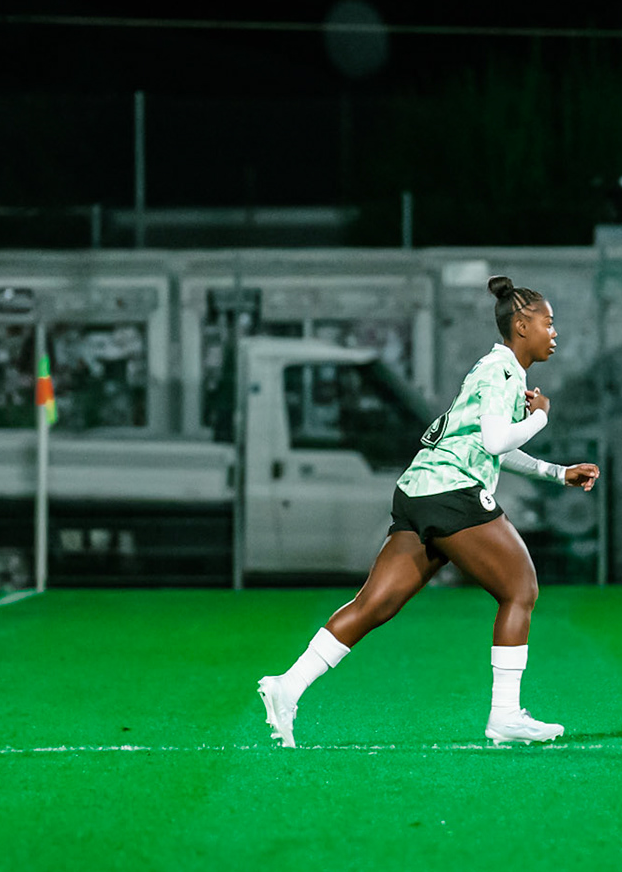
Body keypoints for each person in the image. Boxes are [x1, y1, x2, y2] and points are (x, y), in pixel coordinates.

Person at [255, 275, 600, 747]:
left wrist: (557, 473)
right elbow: (498, 441)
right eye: (548, 323)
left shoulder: (494, 371)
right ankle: (504, 716)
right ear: (521, 326)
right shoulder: (501, 375)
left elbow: (490, 447)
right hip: (451, 494)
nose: (554, 333)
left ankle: (286, 686)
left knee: (375, 604)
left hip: (419, 490)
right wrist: (541, 416)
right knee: (521, 588)